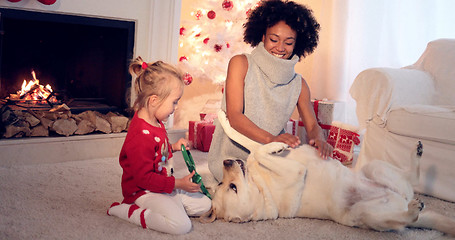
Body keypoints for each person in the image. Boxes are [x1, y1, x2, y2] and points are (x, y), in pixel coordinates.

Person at [208, 0, 333, 181]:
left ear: (297, 44)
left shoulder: (299, 84)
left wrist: (320, 140)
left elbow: (312, 126)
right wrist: (271, 139)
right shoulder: (241, 63)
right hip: (234, 155)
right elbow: (234, 116)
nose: (280, 48)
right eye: (274, 39)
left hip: (271, 154)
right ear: (263, 37)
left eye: (289, 42)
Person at [108, 57, 211, 235]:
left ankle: (170, 205)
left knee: (206, 205)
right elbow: (144, 179)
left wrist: (174, 147)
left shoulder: (155, 120)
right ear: (154, 100)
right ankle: (127, 210)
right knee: (181, 226)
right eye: (174, 102)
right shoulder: (140, 136)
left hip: (163, 185)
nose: (176, 107)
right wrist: (178, 184)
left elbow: (156, 153)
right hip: (143, 192)